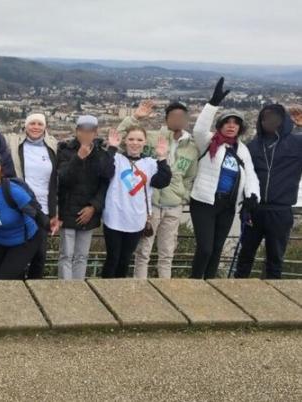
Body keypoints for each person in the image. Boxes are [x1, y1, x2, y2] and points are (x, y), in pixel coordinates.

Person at [119, 100, 199, 279]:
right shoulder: (153, 138)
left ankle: (165, 291)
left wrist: (182, 196)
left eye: (181, 117)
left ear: (186, 120)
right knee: (142, 252)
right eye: (173, 116)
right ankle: (139, 289)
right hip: (151, 204)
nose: (177, 120)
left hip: (174, 206)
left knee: (167, 253)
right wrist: (135, 117)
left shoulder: (192, 148)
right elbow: (119, 137)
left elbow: (189, 177)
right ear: (167, 118)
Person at [190, 77, 260, 279]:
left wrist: (252, 195)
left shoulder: (242, 149)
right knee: (205, 248)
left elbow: (250, 175)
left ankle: (210, 282)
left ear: (240, 128)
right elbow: (199, 129)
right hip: (204, 202)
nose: (231, 126)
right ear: (220, 125)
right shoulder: (209, 142)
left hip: (227, 205)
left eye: (236, 123)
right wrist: (213, 104)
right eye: (227, 122)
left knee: (217, 248)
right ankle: (194, 282)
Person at [234, 103, 302, 279]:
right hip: (254, 209)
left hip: (281, 210)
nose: (269, 121)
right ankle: (237, 291)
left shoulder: (297, 143)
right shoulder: (252, 146)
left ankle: (272, 296)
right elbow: (244, 176)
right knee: (245, 256)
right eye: (265, 117)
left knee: (275, 258)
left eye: (274, 117)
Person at [101, 127, 171, 278]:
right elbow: (104, 172)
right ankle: (104, 290)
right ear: (125, 141)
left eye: (139, 140)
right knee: (112, 258)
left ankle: (119, 290)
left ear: (145, 142)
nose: (135, 143)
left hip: (136, 219)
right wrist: (112, 148)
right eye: (131, 139)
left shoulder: (150, 163)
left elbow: (162, 182)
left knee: (125, 259)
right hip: (114, 217)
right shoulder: (117, 159)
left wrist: (162, 158)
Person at [56, 115, 115, 280]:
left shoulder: (101, 153)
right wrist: (79, 157)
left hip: (89, 211)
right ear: (77, 131)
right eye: (82, 131)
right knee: (66, 255)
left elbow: (107, 178)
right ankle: (66, 290)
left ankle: (78, 289)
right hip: (67, 210)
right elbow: (63, 178)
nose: (86, 135)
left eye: (90, 131)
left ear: (95, 133)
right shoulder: (65, 150)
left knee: (82, 256)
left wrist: (94, 207)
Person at [5, 113, 60, 279]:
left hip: (43, 209)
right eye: (32, 123)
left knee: (39, 256)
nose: (36, 127)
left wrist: (55, 211)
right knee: (18, 253)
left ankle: (36, 290)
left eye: (39, 124)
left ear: (45, 127)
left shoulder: (54, 146)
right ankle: (18, 289)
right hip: (22, 206)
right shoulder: (13, 142)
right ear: (25, 126)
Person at [0, 150, 44, 280]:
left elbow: (36, 213)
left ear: (1, 169)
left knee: (4, 281)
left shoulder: (13, 191)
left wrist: (49, 225)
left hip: (24, 240)